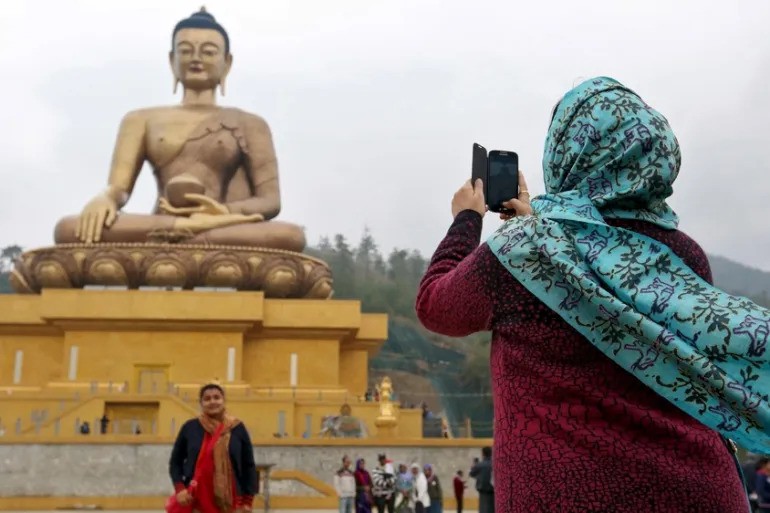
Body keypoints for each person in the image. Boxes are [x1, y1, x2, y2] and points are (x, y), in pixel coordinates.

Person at [416, 76, 760, 512]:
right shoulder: (684, 254)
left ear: (566, 153)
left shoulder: (523, 252)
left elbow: (436, 306)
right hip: (698, 491)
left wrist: (467, 219)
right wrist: (536, 222)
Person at [169, 383, 258, 513]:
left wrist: (248, 500)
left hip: (232, 500)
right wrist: (180, 488)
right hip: (196, 499)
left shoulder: (237, 428)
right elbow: (175, 462)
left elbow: (248, 465)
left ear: (223, 400)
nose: (212, 402)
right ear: (201, 403)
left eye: (217, 397)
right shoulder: (190, 428)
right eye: (207, 399)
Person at [469, 448, 493, 513]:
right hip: (494, 491)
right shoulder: (496, 464)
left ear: (483, 454)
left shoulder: (479, 465)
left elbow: (471, 474)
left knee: (484, 509)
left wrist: (473, 466)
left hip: (483, 491)